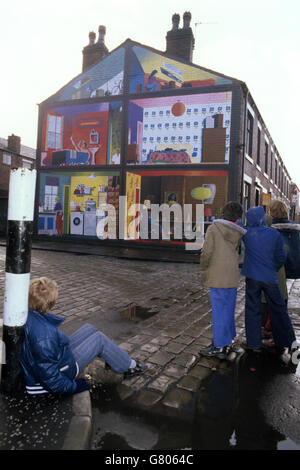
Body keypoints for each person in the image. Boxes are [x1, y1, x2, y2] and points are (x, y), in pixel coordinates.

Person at [20, 277, 146, 396]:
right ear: (50, 302)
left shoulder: (31, 315)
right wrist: (74, 387)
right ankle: (129, 366)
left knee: (89, 329)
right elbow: (50, 377)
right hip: (60, 373)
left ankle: (114, 358)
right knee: (99, 339)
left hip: (59, 359)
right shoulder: (44, 334)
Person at [241, 206, 296, 354]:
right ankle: (289, 341)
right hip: (270, 277)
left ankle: (253, 343)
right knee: (279, 309)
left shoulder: (246, 233)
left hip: (252, 277)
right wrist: (273, 267)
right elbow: (281, 257)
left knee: (252, 309)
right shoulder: (274, 234)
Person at [199, 201, 246, 359]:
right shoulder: (238, 232)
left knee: (219, 310)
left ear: (224, 212)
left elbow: (207, 252)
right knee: (228, 308)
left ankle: (219, 346)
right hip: (231, 273)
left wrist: (204, 267)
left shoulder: (214, 228)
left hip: (217, 273)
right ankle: (228, 339)